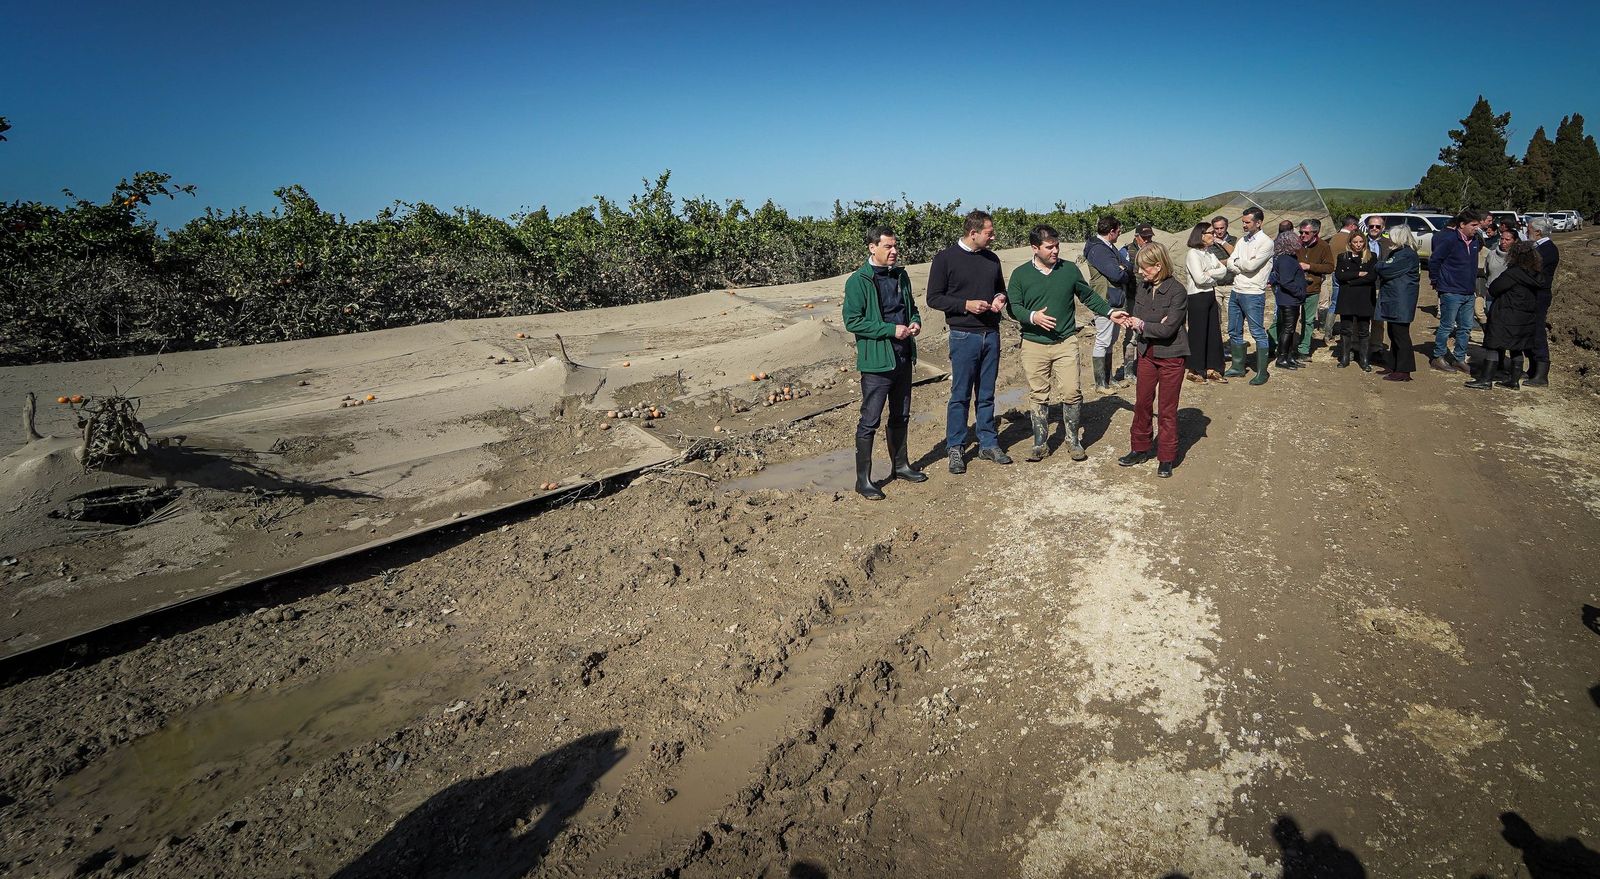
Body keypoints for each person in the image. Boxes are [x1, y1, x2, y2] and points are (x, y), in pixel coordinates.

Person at [1006, 224, 1116, 462]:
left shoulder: (1069, 270)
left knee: (1071, 391)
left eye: (1057, 246)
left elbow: (1087, 296)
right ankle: (1040, 443)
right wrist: (1032, 317)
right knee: (1038, 394)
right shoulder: (1020, 274)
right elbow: (1014, 307)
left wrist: (1109, 312)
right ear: (1035, 248)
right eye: (1049, 247)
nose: (1055, 251)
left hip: (1065, 341)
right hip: (1033, 344)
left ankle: (1073, 440)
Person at [841, 226, 926, 500]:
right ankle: (863, 480)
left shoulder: (901, 276)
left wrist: (915, 322)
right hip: (877, 362)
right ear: (872, 247)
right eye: (888, 246)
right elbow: (852, 321)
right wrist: (891, 330)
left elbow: (911, 307)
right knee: (870, 420)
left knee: (901, 414)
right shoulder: (858, 281)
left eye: (895, 246)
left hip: (902, 356)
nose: (894, 251)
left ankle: (900, 466)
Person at [927, 210, 1009, 472]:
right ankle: (956, 448)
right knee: (960, 395)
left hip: (991, 333)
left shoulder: (991, 259)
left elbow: (1000, 288)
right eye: (989, 233)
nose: (993, 237)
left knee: (986, 394)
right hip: (963, 335)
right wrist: (965, 305)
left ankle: (988, 442)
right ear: (973, 233)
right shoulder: (945, 259)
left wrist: (999, 299)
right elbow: (934, 298)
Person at [1115, 243, 1187, 478]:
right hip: (1146, 353)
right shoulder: (1144, 289)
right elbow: (1145, 318)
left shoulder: (1177, 291)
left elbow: (1168, 330)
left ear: (1158, 266)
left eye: (1143, 268)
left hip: (1171, 356)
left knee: (1167, 409)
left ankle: (1166, 457)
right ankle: (1140, 448)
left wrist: (1145, 325)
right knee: (1142, 403)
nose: (1139, 272)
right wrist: (1151, 323)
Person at [1466, 240, 1545, 391]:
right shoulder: (1536, 275)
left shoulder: (1513, 273)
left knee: (1493, 346)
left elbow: (1494, 289)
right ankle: (1513, 381)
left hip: (1506, 315)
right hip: (1526, 318)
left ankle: (1486, 379)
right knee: (1517, 348)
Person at [1084, 214, 1136, 393]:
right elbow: (1117, 273)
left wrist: (1124, 269)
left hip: (1114, 297)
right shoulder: (1099, 250)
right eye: (1119, 230)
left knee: (1111, 339)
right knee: (1103, 339)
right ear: (1112, 231)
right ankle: (1100, 383)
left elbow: (1126, 266)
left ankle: (1108, 378)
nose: (1120, 233)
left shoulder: (1107, 247)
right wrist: (1123, 271)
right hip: (1105, 299)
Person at [1223, 207, 1275, 384]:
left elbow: (1252, 267)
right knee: (1234, 329)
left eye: (1247, 222)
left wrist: (1239, 263)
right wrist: (1240, 264)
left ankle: (1262, 372)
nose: (1244, 225)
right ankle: (1238, 367)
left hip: (1253, 293)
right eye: (1243, 222)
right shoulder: (1242, 241)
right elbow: (1231, 262)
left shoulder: (1266, 243)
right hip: (1237, 290)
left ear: (1258, 223)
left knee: (1257, 332)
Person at [1427, 209, 1482, 374]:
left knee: (1465, 327)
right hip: (1451, 291)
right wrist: (1436, 281)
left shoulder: (1474, 241)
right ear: (1462, 225)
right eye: (1473, 225)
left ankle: (1459, 358)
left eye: (1477, 225)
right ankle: (1438, 357)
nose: (1476, 228)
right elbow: (1434, 260)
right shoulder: (1449, 240)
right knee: (1447, 326)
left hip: (1468, 291)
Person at [1182, 222, 1229, 383]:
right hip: (1197, 297)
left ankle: (1212, 367)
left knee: (1213, 333)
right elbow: (1199, 279)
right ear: (1201, 235)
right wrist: (1213, 277)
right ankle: (1195, 369)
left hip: (1210, 295)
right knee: (1198, 334)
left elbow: (1223, 271)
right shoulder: (1193, 254)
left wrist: (1209, 273)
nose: (1214, 235)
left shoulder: (1209, 253)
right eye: (1210, 232)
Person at [1374, 224, 1421, 382]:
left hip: (1402, 300)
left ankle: (1404, 370)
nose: (1388, 239)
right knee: (1393, 333)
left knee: (1401, 335)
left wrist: (1379, 265)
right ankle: (1394, 365)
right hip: (1394, 299)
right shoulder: (1398, 252)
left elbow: (1387, 270)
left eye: (1391, 236)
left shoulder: (1406, 254)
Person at [1332, 232, 1378, 370]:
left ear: (1364, 243)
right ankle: (1345, 357)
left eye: (1361, 242)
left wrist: (1350, 281)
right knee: (1346, 328)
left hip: (1364, 298)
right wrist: (1357, 274)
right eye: (1355, 242)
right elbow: (1340, 275)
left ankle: (1364, 359)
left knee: (1364, 329)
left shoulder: (1371, 257)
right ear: (1350, 243)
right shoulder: (1343, 257)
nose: (1358, 245)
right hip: (1347, 298)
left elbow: (1372, 277)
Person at [1293, 219, 1334, 361]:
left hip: (1312, 288)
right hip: (1293, 288)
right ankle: (1285, 346)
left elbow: (1329, 267)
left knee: (1308, 320)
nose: (1302, 235)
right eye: (1301, 232)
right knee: (1289, 318)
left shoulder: (1323, 246)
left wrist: (1310, 266)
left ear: (1315, 233)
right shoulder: (1295, 243)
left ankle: (1303, 350)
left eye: (1306, 232)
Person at [1526, 216, 1560, 386]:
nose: (1526, 232)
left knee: (1537, 332)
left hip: (1539, 295)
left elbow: (1532, 271)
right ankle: (1532, 370)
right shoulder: (1540, 247)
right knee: (1530, 331)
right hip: (1533, 294)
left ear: (1537, 231)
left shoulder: (1547, 250)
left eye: (1529, 229)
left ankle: (1541, 374)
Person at [1269, 231, 1309, 371]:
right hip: (1288, 299)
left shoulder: (1288, 257)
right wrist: (1299, 292)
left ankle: (1289, 356)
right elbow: (1286, 281)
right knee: (1288, 329)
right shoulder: (1285, 259)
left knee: (1290, 329)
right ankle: (1282, 357)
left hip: (1291, 299)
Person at [1324, 215, 1359, 337]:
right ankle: (1349, 331)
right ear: (1352, 226)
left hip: (1334, 272)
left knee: (1334, 302)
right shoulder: (1350, 239)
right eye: (1356, 226)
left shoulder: (1334, 237)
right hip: (1347, 273)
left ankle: (1327, 332)